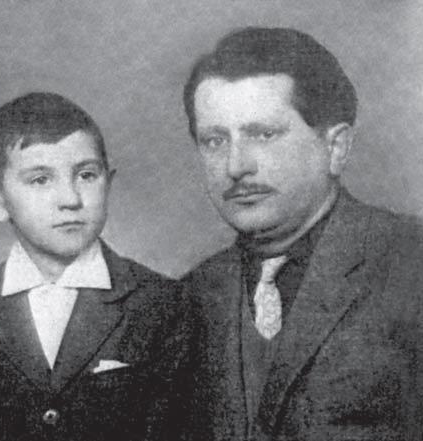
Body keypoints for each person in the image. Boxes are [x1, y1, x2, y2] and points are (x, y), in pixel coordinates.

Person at [179, 27, 423, 441]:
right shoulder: (190, 297)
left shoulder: (412, 263)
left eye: (264, 135)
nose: (236, 166)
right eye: (215, 140)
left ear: (336, 147)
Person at [0, 92, 189, 441]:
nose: (70, 199)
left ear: (109, 182)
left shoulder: (163, 304)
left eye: (87, 175)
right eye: (40, 180)